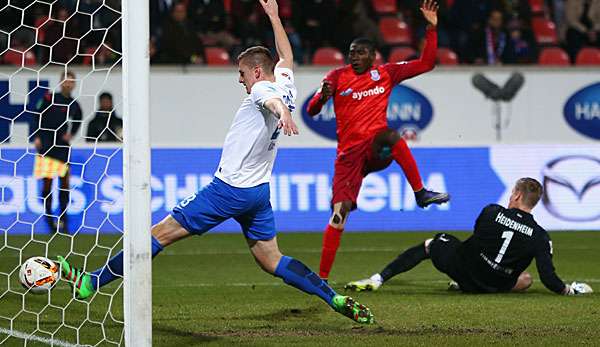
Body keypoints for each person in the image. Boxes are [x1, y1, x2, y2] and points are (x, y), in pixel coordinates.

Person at [58, 0, 374, 324]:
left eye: (241, 74)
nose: (240, 80)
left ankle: (90, 282)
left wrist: (284, 113)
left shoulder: (262, 88)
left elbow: (270, 98)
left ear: (255, 71)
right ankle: (331, 297)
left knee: (156, 234)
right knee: (271, 259)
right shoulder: (285, 82)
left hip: (229, 189)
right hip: (258, 194)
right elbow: (287, 56)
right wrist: (275, 18)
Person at [306, 0, 449, 281]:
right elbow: (311, 110)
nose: (354, 57)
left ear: (374, 56)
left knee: (392, 135)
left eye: (361, 53)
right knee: (339, 215)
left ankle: (420, 192)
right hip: (349, 158)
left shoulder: (386, 73)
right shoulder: (336, 77)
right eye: (351, 53)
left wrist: (431, 29)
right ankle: (321, 279)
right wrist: (321, 97)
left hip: (375, 150)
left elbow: (426, 63)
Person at [345, 178, 594, 296]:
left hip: (464, 271)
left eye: (512, 193)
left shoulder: (491, 211)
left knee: (434, 243)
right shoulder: (541, 236)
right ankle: (476, 283)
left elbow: (474, 241)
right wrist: (568, 290)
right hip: (495, 284)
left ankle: (378, 279)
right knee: (526, 279)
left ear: (517, 196)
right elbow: (549, 278)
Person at [33, 70, 82, 234]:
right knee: (47, 184)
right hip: (47, 145)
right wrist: (37, 136)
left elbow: (78, 118)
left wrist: (72, 133)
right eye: (66, 80)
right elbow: (36, 115)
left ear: (74, 84)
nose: (68, 84)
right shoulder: (49, 98)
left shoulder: (74, 104)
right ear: (61, 82)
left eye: (71, 81)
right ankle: (48, 218)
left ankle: (63, 219)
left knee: (64, 184)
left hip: (62, 147)